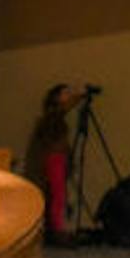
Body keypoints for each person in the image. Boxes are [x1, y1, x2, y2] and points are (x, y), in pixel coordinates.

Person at [25, 83, 85, 241]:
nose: (68, 96)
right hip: (53, 159)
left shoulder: (53, 116)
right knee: (57, 195)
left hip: (56, 159)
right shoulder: (51, 117)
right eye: (64, 93)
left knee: (57, 194)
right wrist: (79, 92)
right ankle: (57, 230)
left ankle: (55, 228)